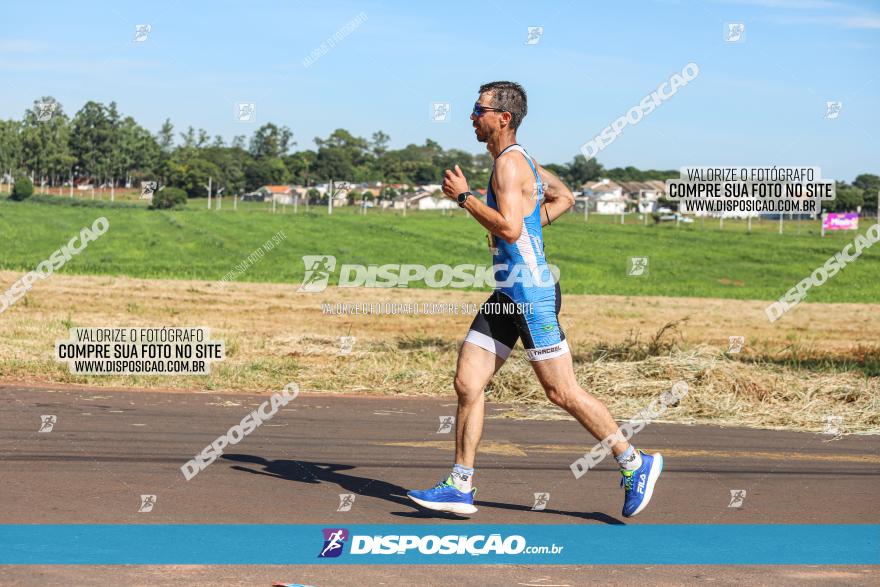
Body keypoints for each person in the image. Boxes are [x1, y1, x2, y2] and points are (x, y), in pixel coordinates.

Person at [406, 81, 663, 518]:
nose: (471, 116)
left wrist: (465, 198)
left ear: (502, 118)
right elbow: (565, 198)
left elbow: (508, 228)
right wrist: (530, 223)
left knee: (560, 391)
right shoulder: (521, 161)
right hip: (508, 290)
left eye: (478, 109)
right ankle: (460, 485)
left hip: (532, 295)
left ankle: (634, 462)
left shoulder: (510, 166)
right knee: (469, 382)